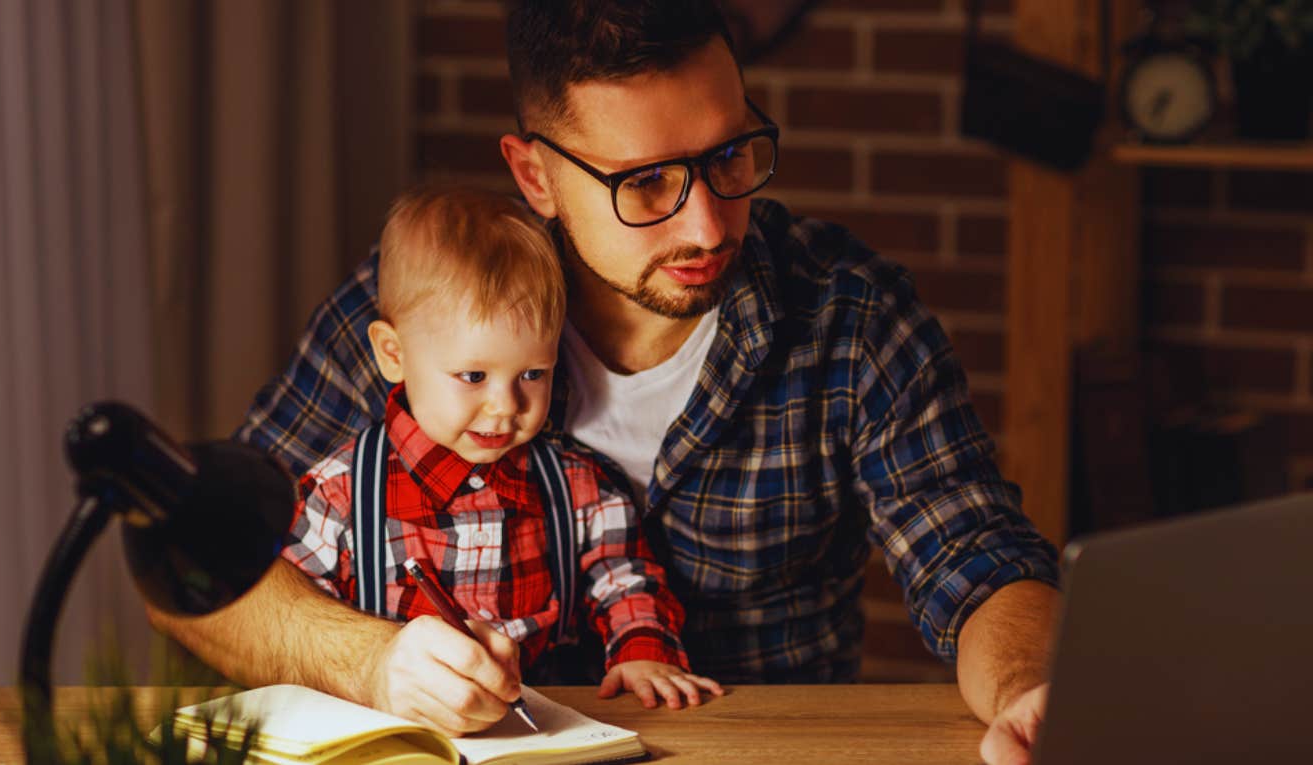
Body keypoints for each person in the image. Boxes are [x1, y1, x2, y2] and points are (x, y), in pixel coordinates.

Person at [147, 3, 1061, 763]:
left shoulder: (850, 321)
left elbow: (976, 559)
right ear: (535, 175)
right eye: (647, 181)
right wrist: (372, 661)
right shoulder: (414, 318)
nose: (707, 223)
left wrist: (1030, 686)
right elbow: (193, 565)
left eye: (730, 155)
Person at [278, 186, 722, 729]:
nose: (505, 405)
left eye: (532, 374)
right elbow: (299, 619)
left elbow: (624, 575)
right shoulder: (341, 494)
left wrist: (642, 651)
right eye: (473, 376)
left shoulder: (575, 487)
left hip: (548, 732)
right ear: (394, 354)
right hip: (396, 735)